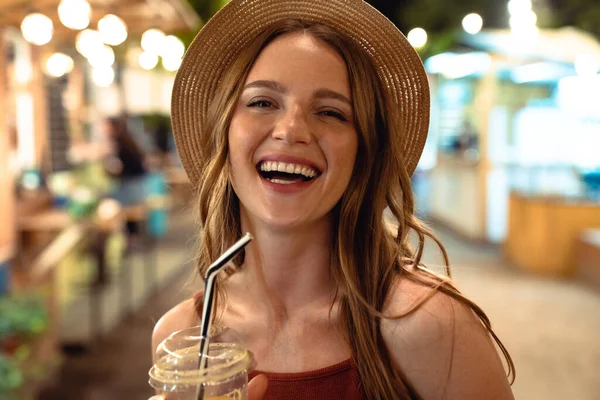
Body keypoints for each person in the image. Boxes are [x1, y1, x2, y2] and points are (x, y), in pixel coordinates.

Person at [151, 1, 515, 399]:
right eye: (262, 102)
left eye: (330, 112)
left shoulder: (430, 327)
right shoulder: (182, 341)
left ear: (363, 154)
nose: (291, 130)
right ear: (224, 133)